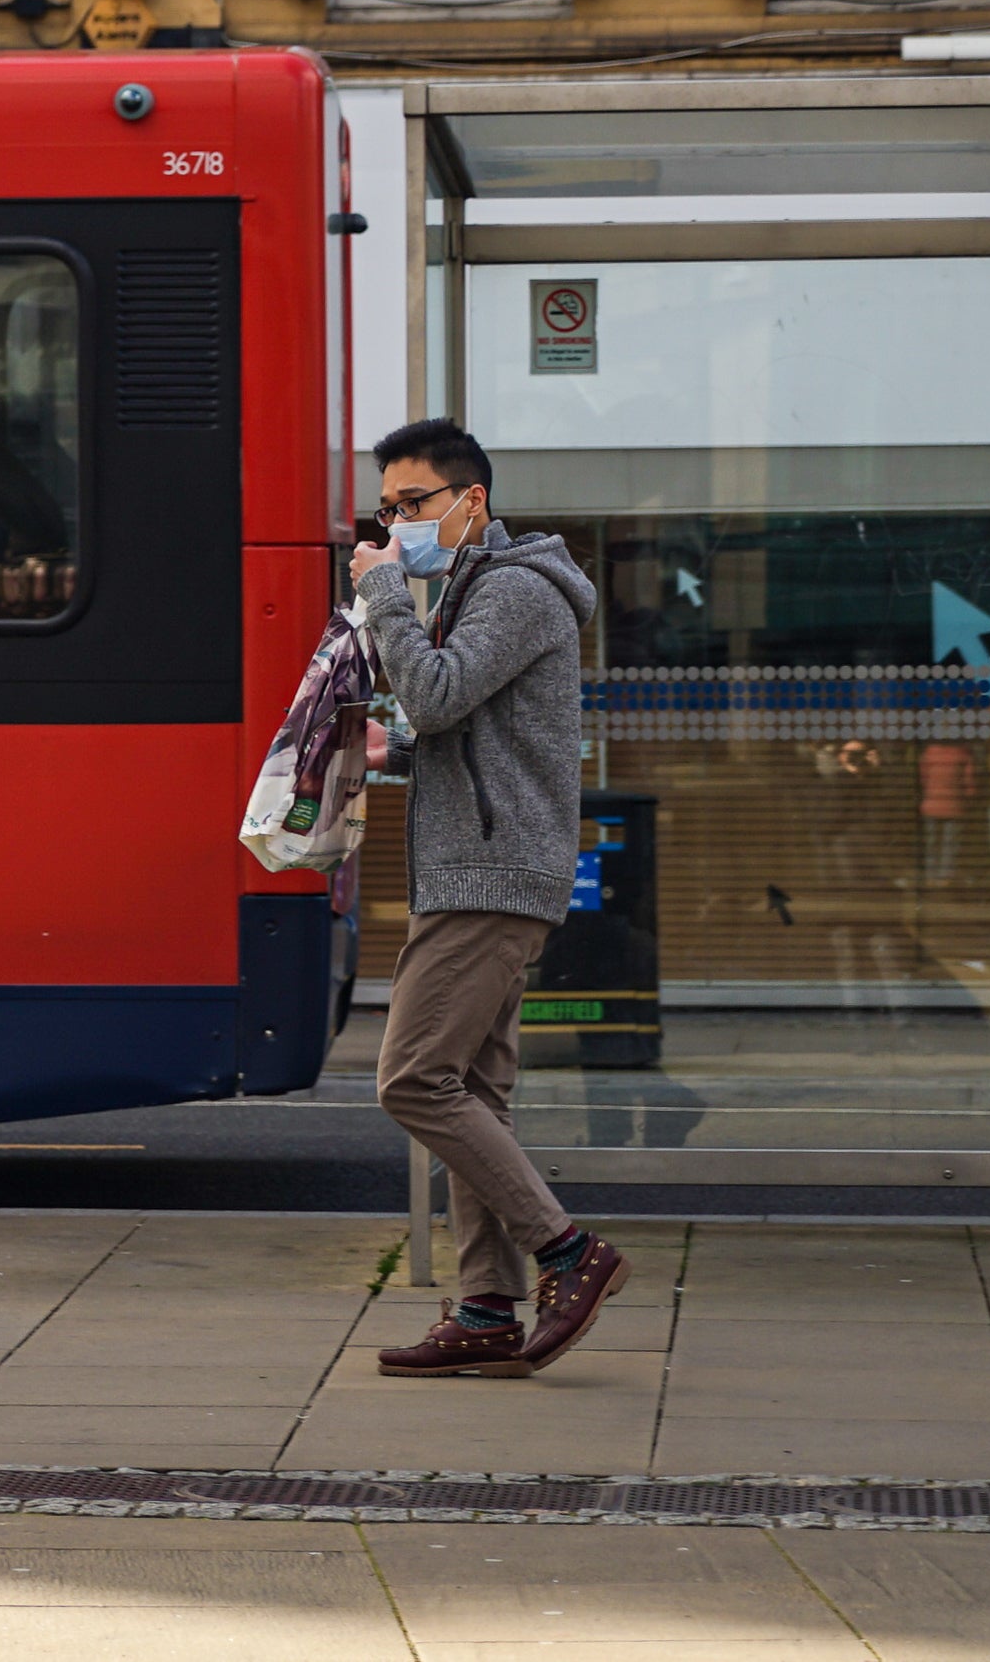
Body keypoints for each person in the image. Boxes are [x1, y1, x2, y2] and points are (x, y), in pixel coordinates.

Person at [350, 417, 622, 1381]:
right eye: (386, 509)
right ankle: (484, 1306)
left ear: (472, 501)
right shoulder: (475, 585)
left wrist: (383, 592)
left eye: (413, 504)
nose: (395, 526)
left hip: (488, 877)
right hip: (478, 867)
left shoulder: (512, 589)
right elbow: (465, 727)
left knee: (414, 1079)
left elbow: (435, 693)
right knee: (475, 1091)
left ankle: (565, 1251)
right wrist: (392, 756)